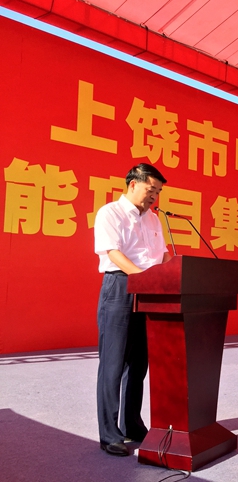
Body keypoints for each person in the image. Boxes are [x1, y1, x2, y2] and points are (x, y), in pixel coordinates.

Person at [94, 163, 171, 457]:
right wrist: (142, 278)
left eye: (158, 192)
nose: (154, 196)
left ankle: (131, 424)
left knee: (139, 363)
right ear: (133, 184)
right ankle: (109, 433)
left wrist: (174, 272)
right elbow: (113, 253)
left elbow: (163, 255)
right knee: (113, 364)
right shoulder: (110, 213)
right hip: (120, 287)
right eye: (151, 189)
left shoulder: (153, 219)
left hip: (148, 290)